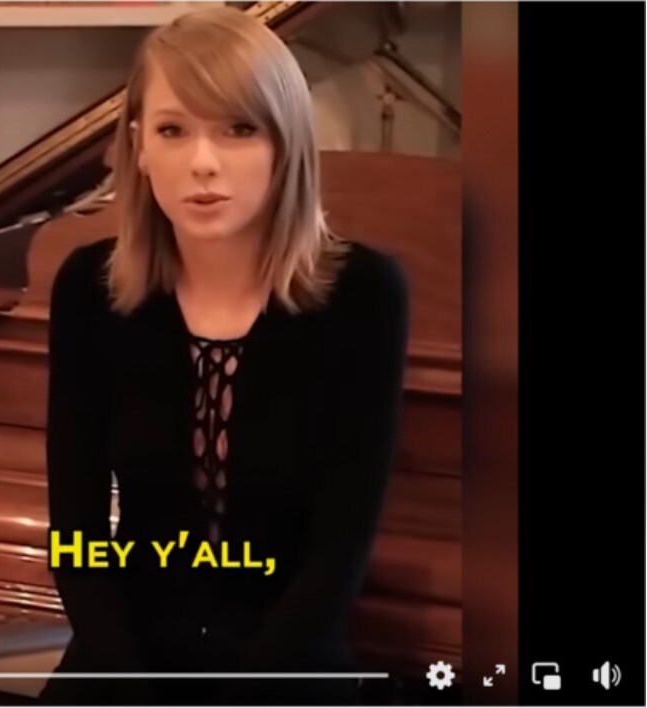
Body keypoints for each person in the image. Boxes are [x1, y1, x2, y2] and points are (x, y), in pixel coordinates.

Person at [39, 6, 409, 706]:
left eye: (238, 129)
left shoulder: (364, 293)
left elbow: (339, 550)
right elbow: (76, 536)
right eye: (172, 130)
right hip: (126, 658)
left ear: (284, 145)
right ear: (137, 147)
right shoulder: (88, 288)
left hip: (288, 658)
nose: (202, 162)